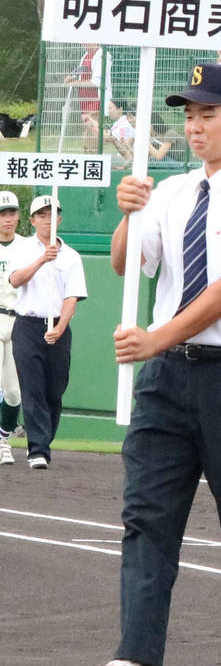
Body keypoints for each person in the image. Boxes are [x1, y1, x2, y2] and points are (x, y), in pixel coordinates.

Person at [73, 62, 221, 666]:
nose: (194, 126)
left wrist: (156, 338)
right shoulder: (171, 192)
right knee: (146, 516)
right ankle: (137, 660)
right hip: (168, 380)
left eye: (207, 114)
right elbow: (126, 261)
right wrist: (127, 214)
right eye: (188, 115)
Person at [6, 195, 87, 472]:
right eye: (41, 215)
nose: (47, 220)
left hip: (58, 328)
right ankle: (37, 449)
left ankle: (43, 440)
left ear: (60, 220)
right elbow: (16, 280)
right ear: (32, 220)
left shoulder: (72, 256)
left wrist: (60, 327)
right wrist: (42, 259)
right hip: (27, 326)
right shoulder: (23, 249)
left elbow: (72, 297)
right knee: (33, 389)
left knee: (54, 390)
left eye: (52, 215)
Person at [0, 191, 24, 465]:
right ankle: (2, 444)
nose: (7, 219)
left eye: (11, 213)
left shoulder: (28, 247)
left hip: (20, 320)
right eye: (2, 213)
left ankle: (2, 437)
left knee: (14, 392)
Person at [66, 42, 112, 154]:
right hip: (84, 102)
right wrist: (72, 79)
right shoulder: (86, 55)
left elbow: (97, 82)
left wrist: (76, 83)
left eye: (87, 40)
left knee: (91, 134)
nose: (84, 43)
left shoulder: (102, 55)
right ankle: (88, 158)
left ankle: (93, 160)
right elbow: (82, 74)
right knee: (87, 134)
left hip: (96, 102)